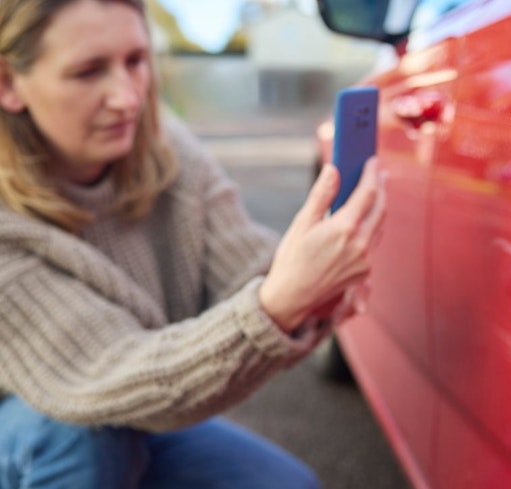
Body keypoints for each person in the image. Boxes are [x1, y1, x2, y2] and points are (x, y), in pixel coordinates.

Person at [0, 0, 385, 487]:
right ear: (8, 83)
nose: (127, 97)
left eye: (136, 61)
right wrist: (277, 304)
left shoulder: (170, 152)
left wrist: (316, 287)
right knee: (79, 439)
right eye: (88, 71)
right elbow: (105, 374)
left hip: (134, 415)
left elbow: (248, 270)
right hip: (40, 420)